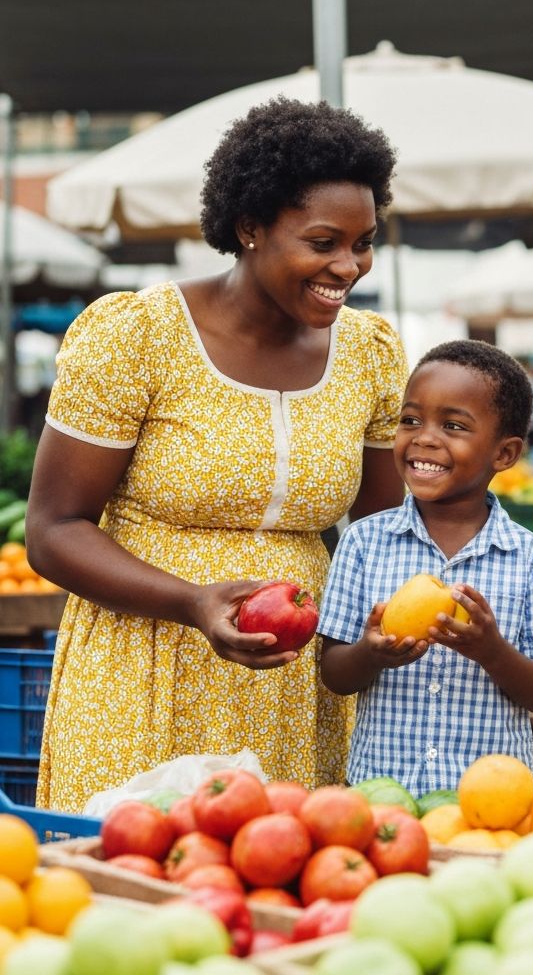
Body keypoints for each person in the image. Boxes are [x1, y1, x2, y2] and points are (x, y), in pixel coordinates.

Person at [26, 97, 408, 811]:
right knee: (133, 881)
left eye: (363, 241)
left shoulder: (370, 353)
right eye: (323, 241)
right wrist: (192, 602)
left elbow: (384, 533)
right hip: (145, 668)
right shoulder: (136, 336)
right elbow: (52, 531)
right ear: (250, 227)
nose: (348, 265)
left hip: (291, 680)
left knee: (278, 881)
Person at [318, 340, 533, 796]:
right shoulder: (362, 542)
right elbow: (335, 674)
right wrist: (371, 653)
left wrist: (491, 650)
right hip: (381, 793)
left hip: (489, 800)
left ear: (505, 454)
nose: (424, 437)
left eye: (453, 425)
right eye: (410, 420)